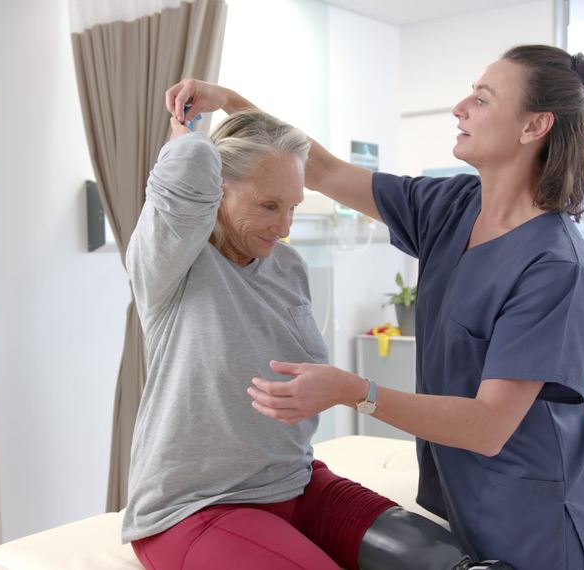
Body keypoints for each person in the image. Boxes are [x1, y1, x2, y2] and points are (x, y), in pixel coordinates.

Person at [166, 44, 584, 569]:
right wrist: (230, 101)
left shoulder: (557, 269)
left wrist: (355, 390)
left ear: (534, 126)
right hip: (461, 497)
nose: (460, 108)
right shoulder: (451, 207)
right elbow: (323, 170)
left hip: (532, 519)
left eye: (482, 99)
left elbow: (489, 427)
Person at [122, 109, 506, 569]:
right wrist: (186, 136)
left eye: (292, 207)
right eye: (268, 206)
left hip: (297, 485)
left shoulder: (287, 267)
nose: (284, 228)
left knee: (453, 563)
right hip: (196, 506)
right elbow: (181, 179)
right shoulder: (173, 263)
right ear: (216, 189)